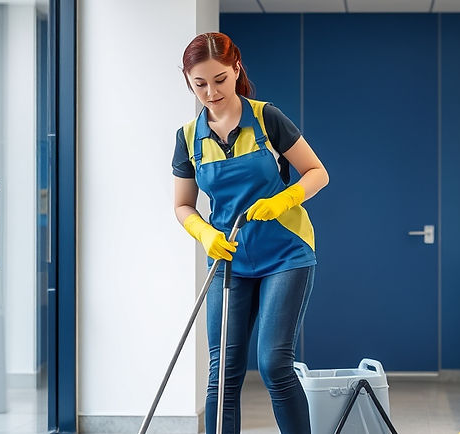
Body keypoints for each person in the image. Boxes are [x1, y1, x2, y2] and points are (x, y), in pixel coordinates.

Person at [171, 32, 328, 434]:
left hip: (285, 254)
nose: (211, 92)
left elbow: (317, 173)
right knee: (221, 374)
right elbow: (183, 205)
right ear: (188, 81)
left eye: (220, 80)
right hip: (229, 258)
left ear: (236, 70)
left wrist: (283, 201)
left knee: (274, 363)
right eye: (200, 83)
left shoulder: (266, 118)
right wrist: (205, 234)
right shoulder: (188, 138)